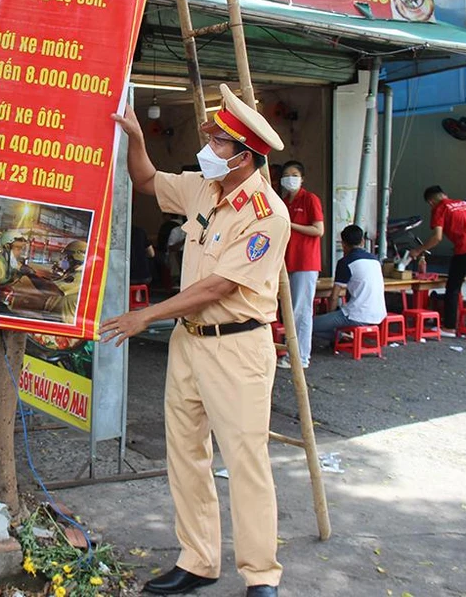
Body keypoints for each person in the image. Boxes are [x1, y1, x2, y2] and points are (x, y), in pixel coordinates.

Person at [102, 84, 289, 597]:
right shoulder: (204, 187)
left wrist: (146, 316)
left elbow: (218, 287)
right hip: (189, 343)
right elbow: (145, 179)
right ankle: (198, 560)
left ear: (244, 156)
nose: (208, 149)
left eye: (219, 143)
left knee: (245, 462)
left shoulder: (268, 214)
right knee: (185, 455)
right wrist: (136, 138)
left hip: (237, 348)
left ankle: (261, 576)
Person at [410, 185, 466, 334]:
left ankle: (449, 327)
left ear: (430, 202)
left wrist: (418, 250)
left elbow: (437, 237)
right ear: (444, 194)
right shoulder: (464, 204)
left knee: (453, 287)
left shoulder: (439, 209)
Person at [278, 160, 324, 369]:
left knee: (301, 311)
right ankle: (293, 353)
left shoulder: (310, 199)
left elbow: (318, 230)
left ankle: (301, 357)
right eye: (287, 175)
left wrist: (291, 225)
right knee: (290, 310)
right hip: (289, 261)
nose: (290, 178)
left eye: (294, 175)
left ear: (302, 178)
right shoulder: (284, 202)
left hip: (306, 262)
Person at [312, 225, 386, 347]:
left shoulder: (345, 262)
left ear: (343, 244)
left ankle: (341, 337)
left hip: (356, 315)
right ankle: (342, 336)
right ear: (362, 242)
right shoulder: (375, 260)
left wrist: (331, 317)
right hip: (379, 314)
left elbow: (334, 297)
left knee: (307, 325)